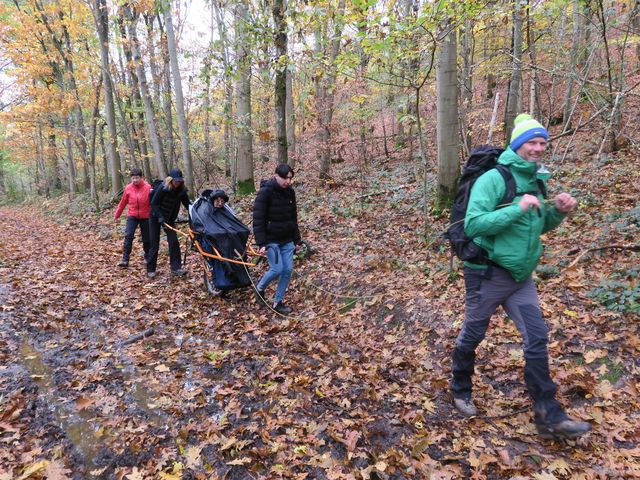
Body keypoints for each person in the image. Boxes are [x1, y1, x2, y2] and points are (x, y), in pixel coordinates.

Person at [450, 114, 591, 440]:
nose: (539, 148)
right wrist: (517, 208)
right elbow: (473, 225)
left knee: (537, 337)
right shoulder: (493, 179)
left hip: (521, 278)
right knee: (473, 333)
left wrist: (558, 211)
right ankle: (460, 389)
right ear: (518, 144)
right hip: (486, 274)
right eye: (533, 142)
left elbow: (538, 226)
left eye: (543, 143)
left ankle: (549, 415)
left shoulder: (537, 180)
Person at [252, 164, 302, 315]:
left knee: (287, 270)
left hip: (286, 239)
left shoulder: (290, 193)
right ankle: (259, 288)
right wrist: (261, 243)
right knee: (277, 269)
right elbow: (258, 219)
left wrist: (296, 239)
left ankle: (277, 302)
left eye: (290, 178)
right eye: (285, 178)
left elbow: (293, 217)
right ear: (276, 176)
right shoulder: (265, 192)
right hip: (271, 239)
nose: (288, 181)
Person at [147, 168, 190, 279]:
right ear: (170, 180)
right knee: (154, 244)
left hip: (170, 219)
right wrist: (160, 217)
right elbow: (154, 204)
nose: (177, 182)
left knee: (174, 242)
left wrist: (195, 214)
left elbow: (188, 205)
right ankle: (151, 269)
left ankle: (176, 268)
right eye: (176, 180)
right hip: (155, 217)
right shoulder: (162, 188)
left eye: (179, 180)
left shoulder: (182, 190)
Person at [114, 168, 151, 268]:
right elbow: (123, 203)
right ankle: (125, 259)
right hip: (132, 216)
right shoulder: (128, 188)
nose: (135, 180)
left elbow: (153, 203)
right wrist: (117, 215)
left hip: (146, 216)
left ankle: (147, 257)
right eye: (133, 178)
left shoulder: (148, 187)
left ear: (141, 177)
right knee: (128, 236)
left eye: (137, 178)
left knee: (146, 239)